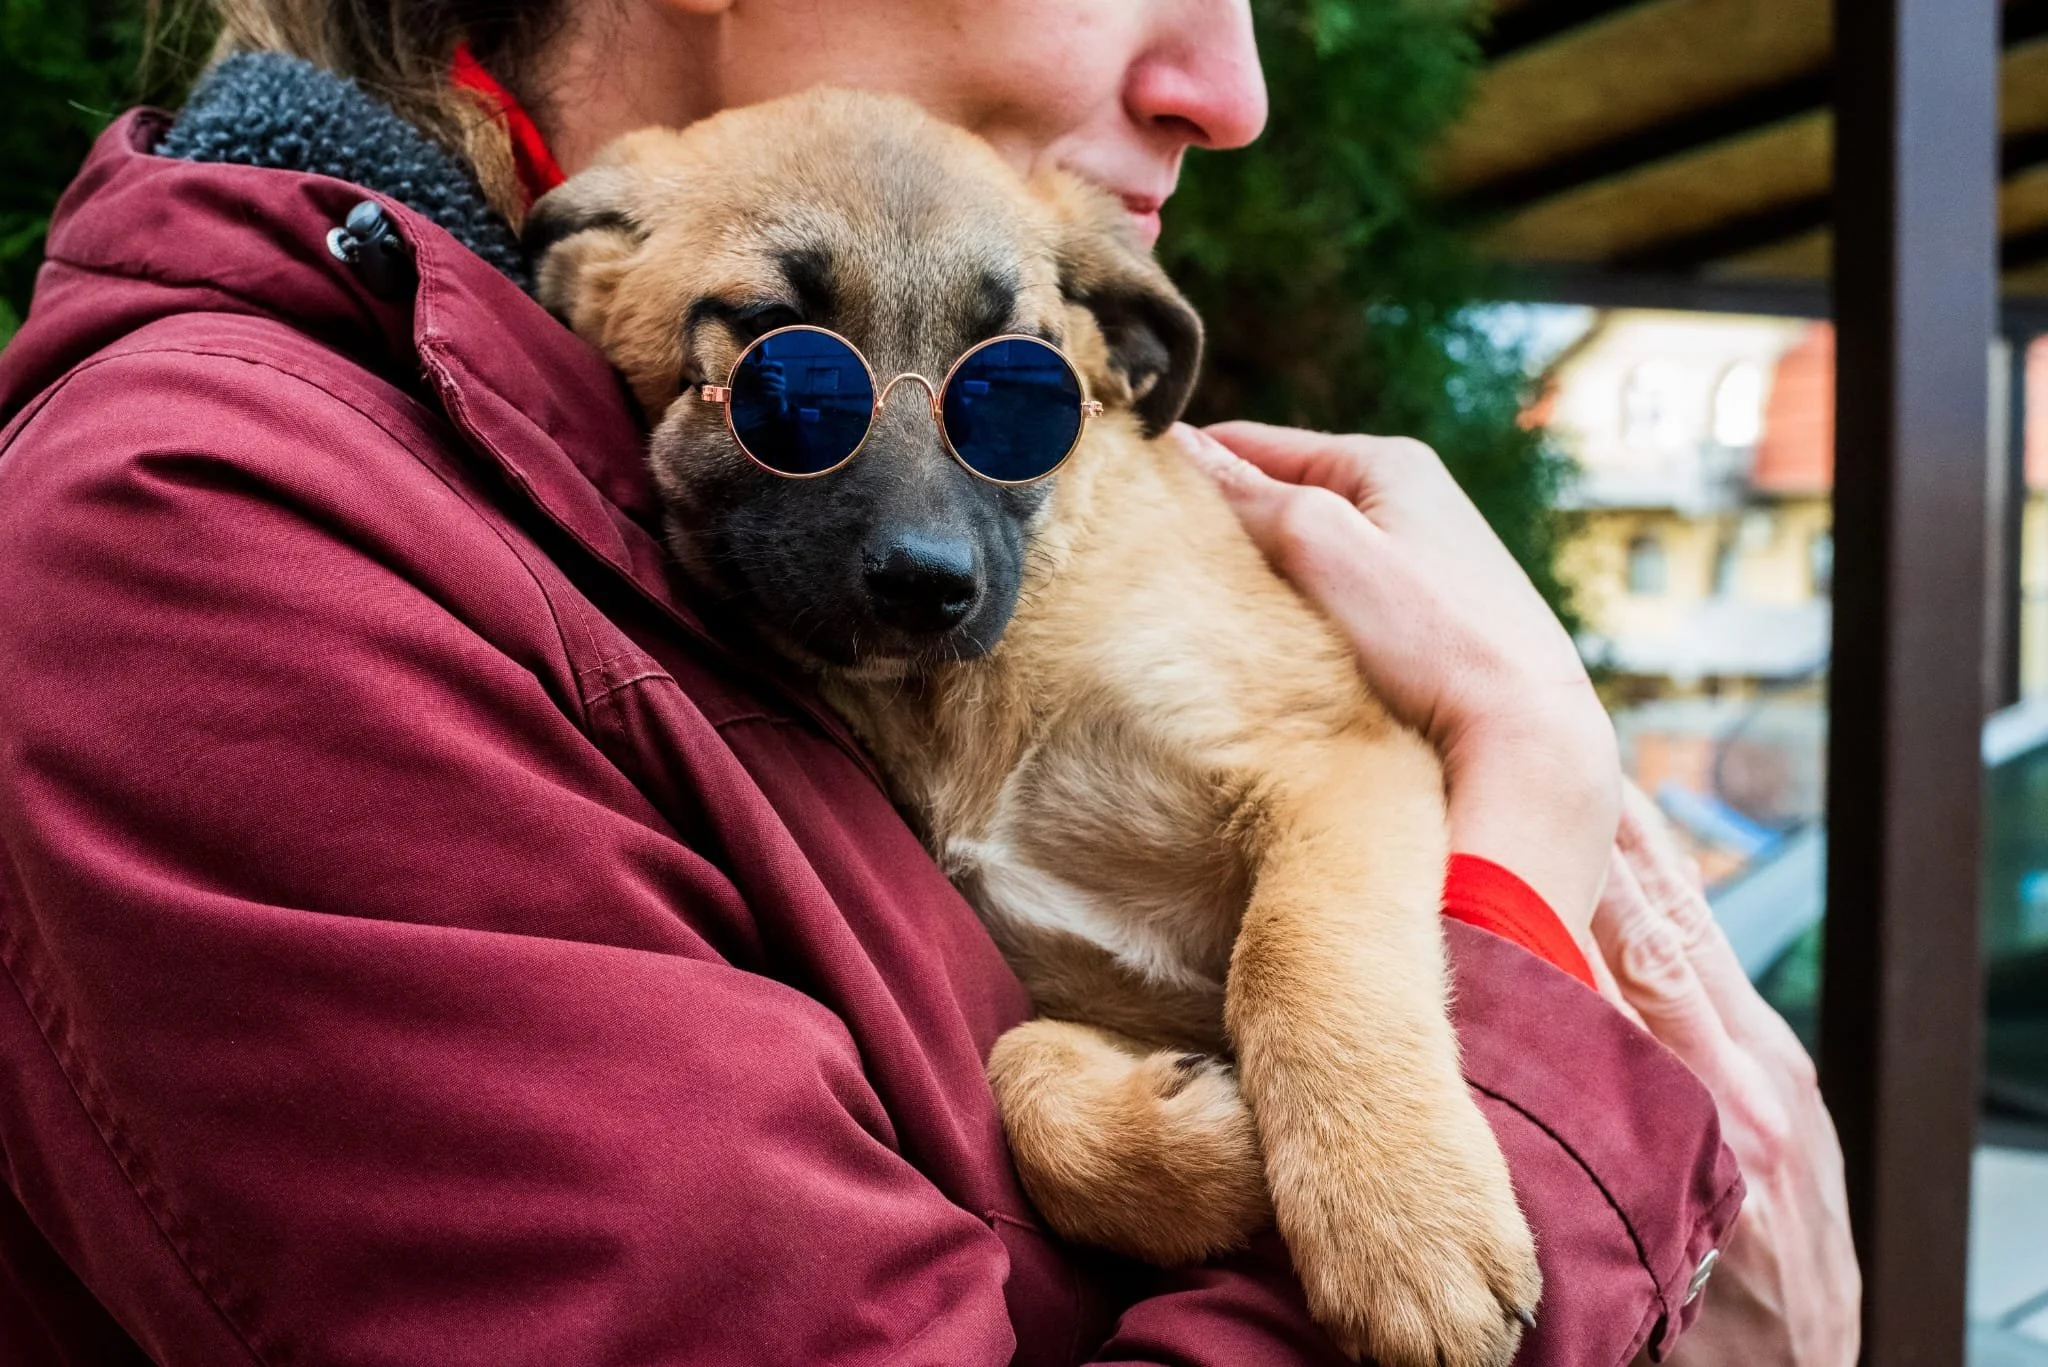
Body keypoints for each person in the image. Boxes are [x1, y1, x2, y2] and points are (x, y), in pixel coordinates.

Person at [0, 1, 1853, 1363]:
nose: (1233, 88)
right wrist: (1547, 999)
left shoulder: (649, 508)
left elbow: (1298, 801)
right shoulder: (224, 544)